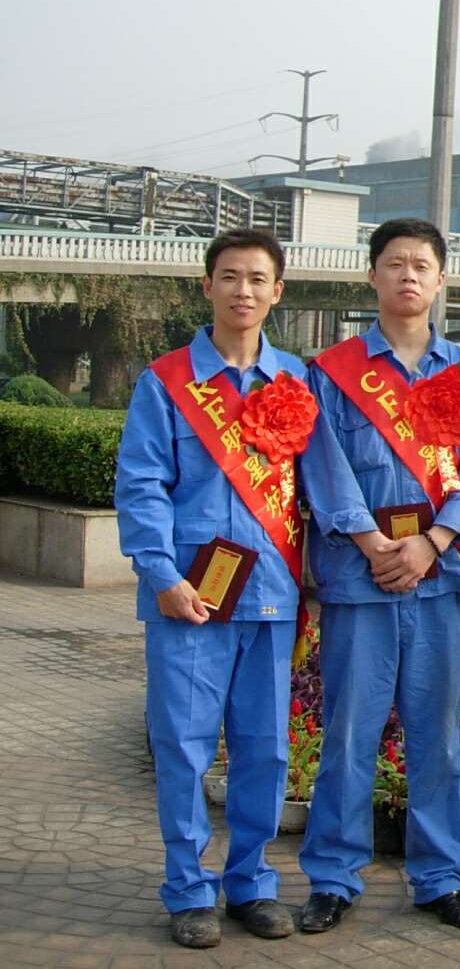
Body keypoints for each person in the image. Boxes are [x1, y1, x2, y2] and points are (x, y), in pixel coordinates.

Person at [296, 218, 460, 933]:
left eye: (421, 265)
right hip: (361, 578)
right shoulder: (332, 373)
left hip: (437, 579)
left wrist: (434, 542)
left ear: (440, 279)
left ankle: (441, 877)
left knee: (435, 737)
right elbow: (324, 467)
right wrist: (374, 541)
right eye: (394, 263)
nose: (408, 275)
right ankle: (333, 877)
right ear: (372, 275)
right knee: (349, 734)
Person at [115, 229, 307, 948]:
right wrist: (161, 576)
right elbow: (141, 484)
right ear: (207, 286)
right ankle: (189, 889)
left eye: (257, 279)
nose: (243, 291)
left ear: (277, 292)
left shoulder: (297, 381)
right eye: (229, 277)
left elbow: (314, 487)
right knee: (185, 746)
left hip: (272, 594)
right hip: (190, 600)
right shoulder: (166, 382)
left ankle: (251, 882)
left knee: (266, 751)